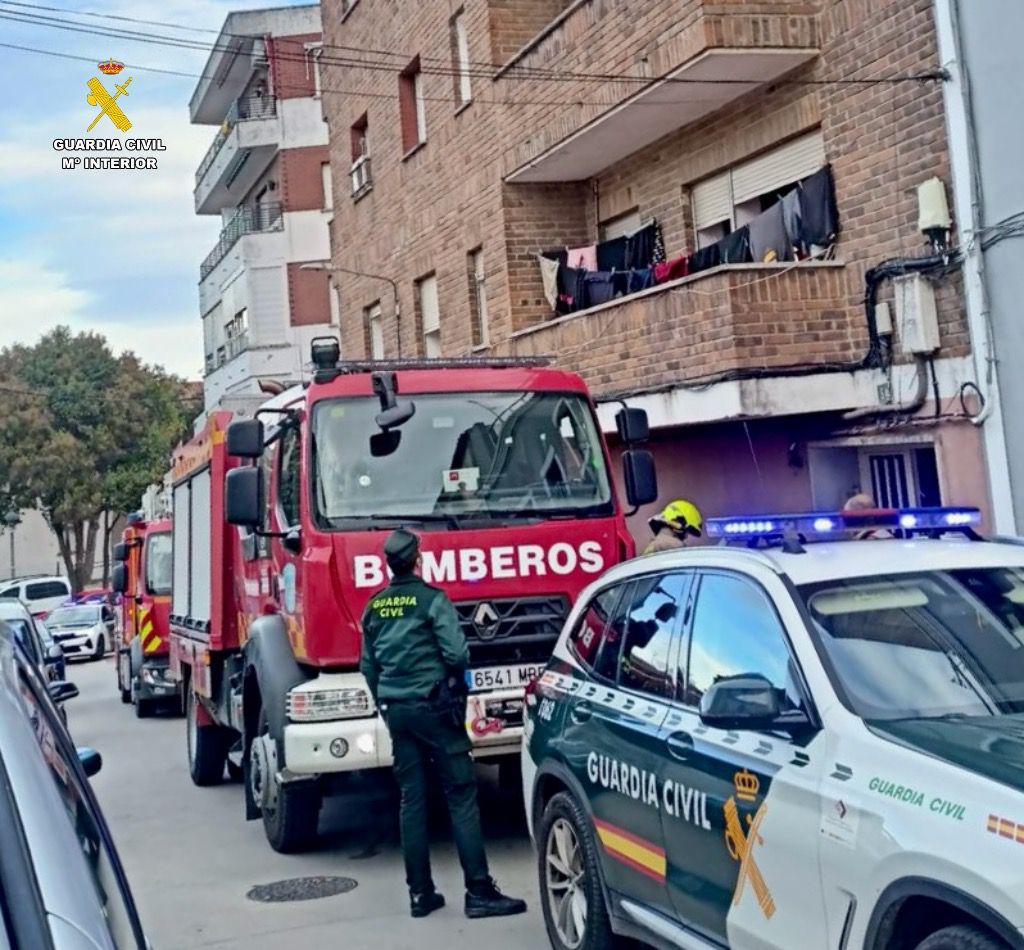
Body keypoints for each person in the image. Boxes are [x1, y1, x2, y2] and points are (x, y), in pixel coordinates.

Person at [359, 529, 528, 921]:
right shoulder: (432, 601)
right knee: (461, 794)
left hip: (397, 708)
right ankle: (479, 891)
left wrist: (386, 703)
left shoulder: (376, 606)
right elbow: (456, 654)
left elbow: (368, 665)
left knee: (412, 799)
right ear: (418, 560)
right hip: (435, 709)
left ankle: (421, 894)